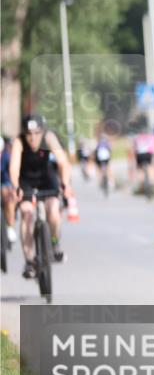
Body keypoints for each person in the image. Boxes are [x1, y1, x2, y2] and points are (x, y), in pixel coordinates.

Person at [8, 114, 74, 276]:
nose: (33, 138)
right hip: (26, 182)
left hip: (47, 179)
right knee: (26, 213)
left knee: (53, 209)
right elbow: (14, 168)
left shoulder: (49, 137)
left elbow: (63, 162)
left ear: (42, 131)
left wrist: (65, 184)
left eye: (37, 133)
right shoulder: (19, 141)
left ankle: (54, 242)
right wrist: (16, 187)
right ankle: (29, 261)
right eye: (29, 134)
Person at [1, 137, 16, 247]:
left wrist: (12, 188)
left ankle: (10, 227)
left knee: (9, 200)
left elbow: (11, 174)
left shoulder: (6, 157)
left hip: (6, 183)